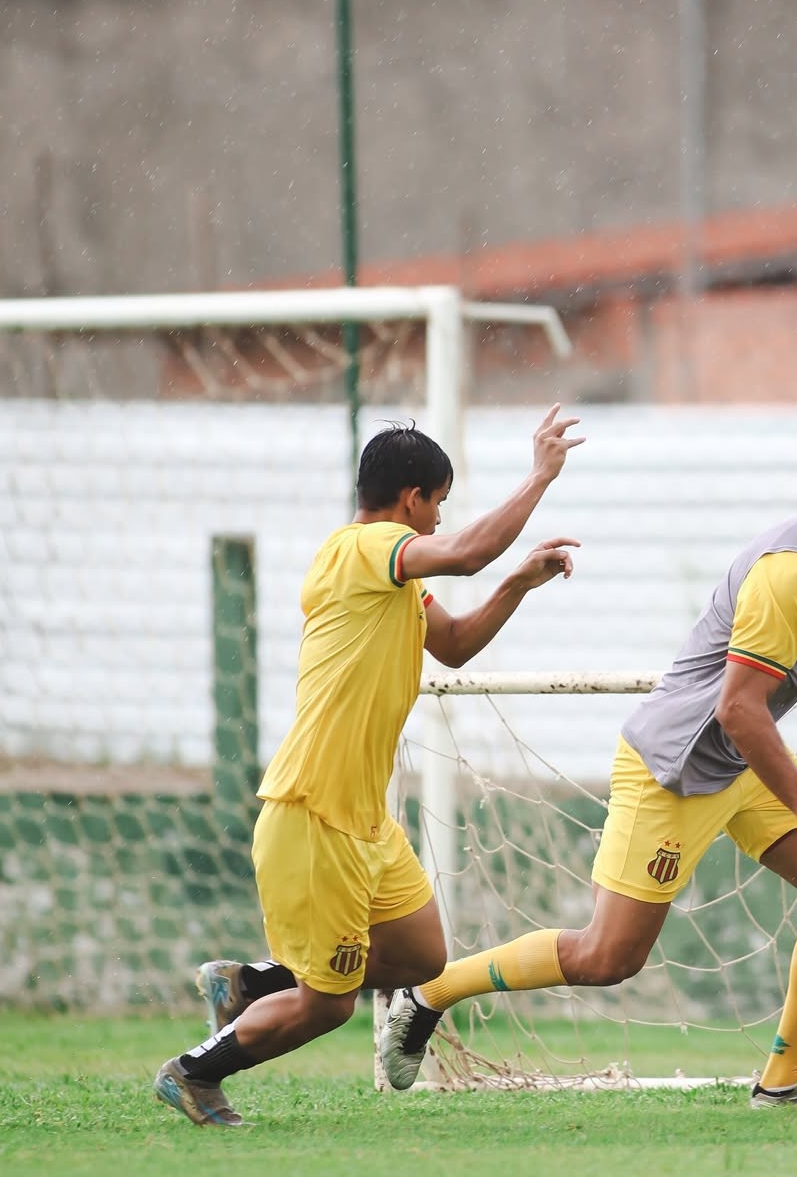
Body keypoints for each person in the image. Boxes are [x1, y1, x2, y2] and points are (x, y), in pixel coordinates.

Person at [379, 417, 797, 1107]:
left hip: (739, 765)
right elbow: (739, 708)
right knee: (606, 958)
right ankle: (429, 994)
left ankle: (781, 1081)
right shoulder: (791, 572)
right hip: (674, 769)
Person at [153, 404, 584, 1126]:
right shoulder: (362, 549)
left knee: (420, 956)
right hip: (314, 812)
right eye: (439, 504)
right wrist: (540, 477)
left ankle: (253, 981)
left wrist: (516, 585)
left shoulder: (399, 579)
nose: (441, 520)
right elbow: (467, 552)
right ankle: (194, 1073)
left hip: (363, 821)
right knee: (329, 1007)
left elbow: (452, 645)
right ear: (409, 499)